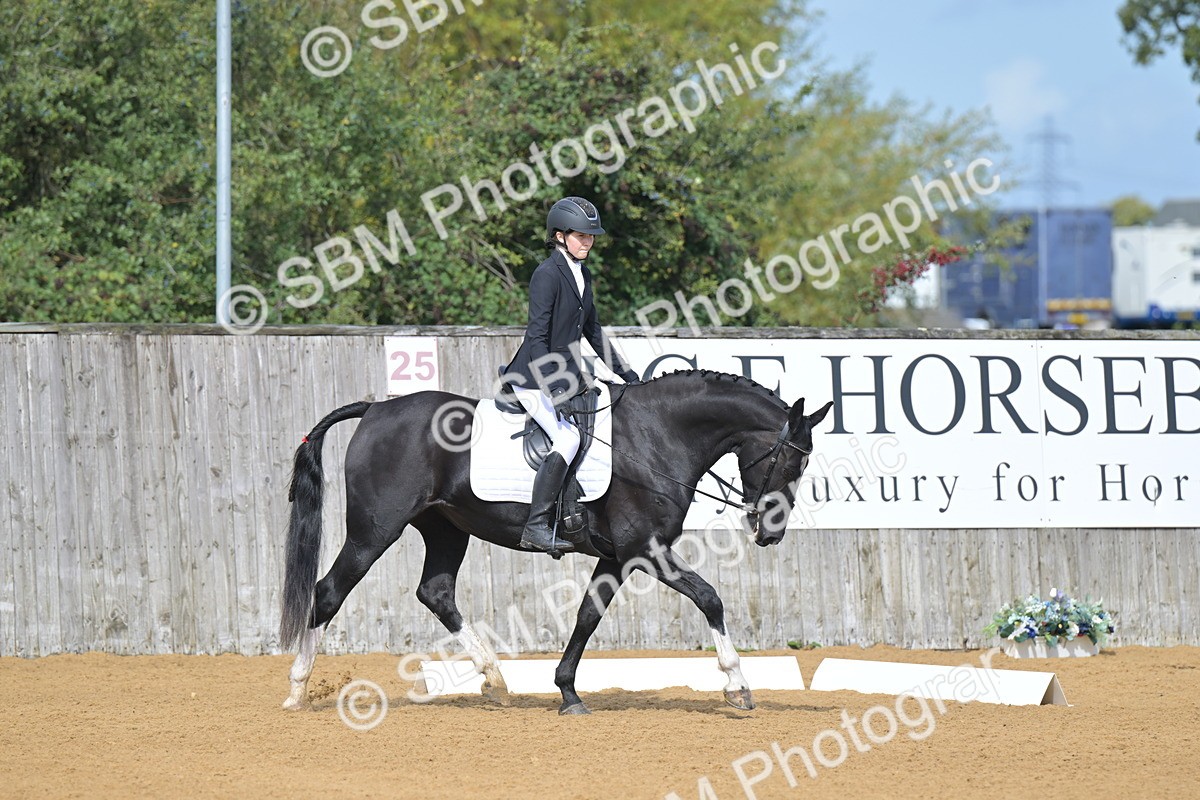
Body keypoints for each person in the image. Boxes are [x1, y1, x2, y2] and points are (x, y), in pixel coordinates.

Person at [500, 196, 639, 554]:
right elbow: (537, 337)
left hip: (568, 374)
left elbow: (593, 332)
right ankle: (535, 526)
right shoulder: (546, 274)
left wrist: (628, 375)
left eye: (591, 236)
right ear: (560, 236)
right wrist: (555, 389)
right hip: (534, 376)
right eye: (581, 236)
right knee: (567, 440)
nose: (588, 242)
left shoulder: (583, 273)